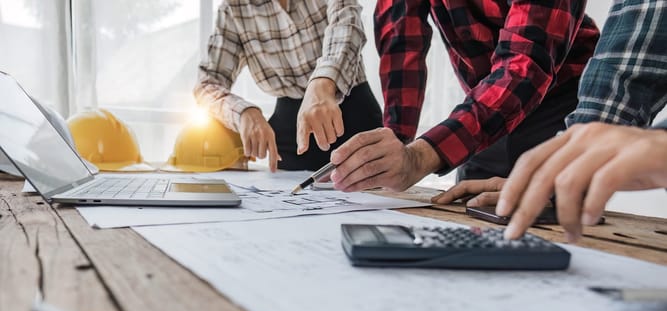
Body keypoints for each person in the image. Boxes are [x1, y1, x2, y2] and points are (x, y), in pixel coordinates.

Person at [432, 0, 667, 241]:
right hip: (490, 98)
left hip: (559, 92)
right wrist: (564, 168)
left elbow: (525, 62)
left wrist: (425, 153)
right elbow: (632, 58)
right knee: (481, 202)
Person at [329, 0, 599, 191]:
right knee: (468, 209)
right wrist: (393, 148)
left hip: (563, 99)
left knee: (551, 215)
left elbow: (524, 67)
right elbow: (401, 39)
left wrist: (419, 158)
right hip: (487, 100)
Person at [195, 0, 382, 172]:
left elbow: (347, 21)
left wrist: (323, 82)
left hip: (356, 121)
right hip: (290, 141)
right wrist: (243, 113)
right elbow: (207, 85)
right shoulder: (233, 8)